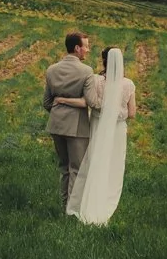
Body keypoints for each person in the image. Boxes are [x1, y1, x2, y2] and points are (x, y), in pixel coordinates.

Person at [56, 46, 136, 226]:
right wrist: (116, 113)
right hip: (117, 130)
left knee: (92, 162)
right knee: (112, 165)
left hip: (97, 125)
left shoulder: (96, 80)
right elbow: (132, 113)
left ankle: (83, 201)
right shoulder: (128, 84)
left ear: (104, 61)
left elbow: (90, 102)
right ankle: (105, 203)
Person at [42, 31, 101, 210]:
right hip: (77, 127)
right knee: (77, 169)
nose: (88, 50)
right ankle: (73, 210)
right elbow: (93, 102)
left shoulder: (51, 69)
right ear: (77, 48)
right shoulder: (86, 71)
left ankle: (64, 206)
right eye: (86, 46)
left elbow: (46, 102)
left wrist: (61, 104)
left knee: (64, 168)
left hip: (56, 125)